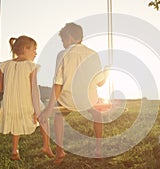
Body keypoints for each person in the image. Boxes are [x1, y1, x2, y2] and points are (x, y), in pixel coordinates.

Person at [39, 23, 108, 165]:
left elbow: (58, 83)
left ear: (69, 38)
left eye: (63, 40)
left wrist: (49, 108)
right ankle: (98, 149)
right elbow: (100, 83)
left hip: (68, 100)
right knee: (97, 114)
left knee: (59, 116)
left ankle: (59, 151)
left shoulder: (62, 54)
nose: (63, 44)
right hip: (88, 100)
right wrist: (106, 72)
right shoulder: (93, 54)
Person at [0, 35, 54, 160]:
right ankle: (46, 146)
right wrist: (37, 111)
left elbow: (0, 88)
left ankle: (15, 150)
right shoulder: (31, 66)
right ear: (25, 49)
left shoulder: (5, 65)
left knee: (16, 122)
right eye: (34, 49)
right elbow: (34, 91)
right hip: (26, 104)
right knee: (44, 117)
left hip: (10, 106)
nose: (35, 52)